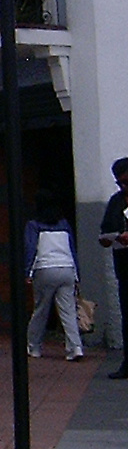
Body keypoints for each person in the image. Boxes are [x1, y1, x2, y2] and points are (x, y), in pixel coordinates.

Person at [25, 191, 83, 361]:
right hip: (67, 268)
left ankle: (34, 346)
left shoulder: (33, 225)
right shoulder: (64, 224)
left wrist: (27, 272)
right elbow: (72, 249)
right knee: (68, 310)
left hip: (44, 269)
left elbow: (30, 249)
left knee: (41, 309)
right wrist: (77, 274)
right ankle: (75, 346)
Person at [99, 157, 128, 378]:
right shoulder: (116, 202)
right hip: (124, 264)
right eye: (120, 183)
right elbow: (106, 227)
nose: (123, 187)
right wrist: (108, 238)